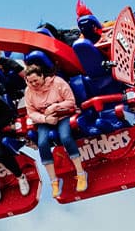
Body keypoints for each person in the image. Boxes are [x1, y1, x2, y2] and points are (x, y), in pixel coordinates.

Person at [21, 61, 86, 196]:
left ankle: (80, 173)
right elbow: (31, 112)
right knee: (43, 143)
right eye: (30, 82)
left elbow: (70, 102)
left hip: (62, 115)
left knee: (65, 137)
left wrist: (55, 107)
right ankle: (54, 180)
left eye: (35, 80)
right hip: (45, 120)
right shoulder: (29, 91)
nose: (33, 84)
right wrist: (45, 119)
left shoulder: (58, 83)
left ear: (42, 76)